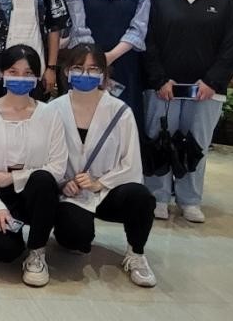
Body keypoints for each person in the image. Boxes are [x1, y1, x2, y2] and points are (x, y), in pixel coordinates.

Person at [143, 0, 233, 224]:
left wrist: (212, 81)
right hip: (164, 88)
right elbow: (148, 40)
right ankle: (158, 197)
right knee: (159, 140)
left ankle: (190, 200)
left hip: (205, 90)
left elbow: (231, 44)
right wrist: (159, 79)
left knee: (196, 145)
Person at [49, 44, 158, 288]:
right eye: (78, 68)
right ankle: (76, 231)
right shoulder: (53, 110)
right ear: (66, 71)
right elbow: (42, 158)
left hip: (109, 192)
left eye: (93, 69)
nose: (85, 74)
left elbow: (131, 164)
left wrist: (100, 183)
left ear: (103, 74)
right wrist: (62, 183)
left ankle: (136, 253)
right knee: (74, 238)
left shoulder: (120, 112)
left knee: (140, 196)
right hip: (71, 194)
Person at [0, 44, 68, 287]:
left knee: (43, 179)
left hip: (35, 191)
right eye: (13, 72)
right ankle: (2, 233)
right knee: (6, 251)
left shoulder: (49, 114)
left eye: (27, 73)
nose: (20, 78)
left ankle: (37, 253)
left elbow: (58, 166)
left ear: (37, 77)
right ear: (2, 74)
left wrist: (15, 177)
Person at [64, 0, 152, 125]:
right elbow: (78, 24)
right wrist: (95, 60)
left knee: (124, 121)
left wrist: (110, 56)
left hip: (126, 61)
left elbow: (139, 27)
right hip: (85, 61)